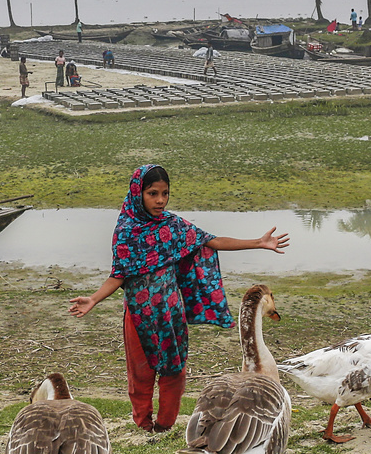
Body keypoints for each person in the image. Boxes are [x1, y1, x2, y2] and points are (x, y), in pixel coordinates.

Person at [68, 165, 289, 432]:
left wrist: (257, 243)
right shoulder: (126, 230)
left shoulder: (172, 226)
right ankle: (142, 425)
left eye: (165, 193)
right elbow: (119, 275)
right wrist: (93, 299)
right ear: (138, 193)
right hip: (138, 317)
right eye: (152, 193)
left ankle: (164, 426)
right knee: (140, 373)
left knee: (174, 371)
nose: (160, 200)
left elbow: (212, 241)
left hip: (171, 315)